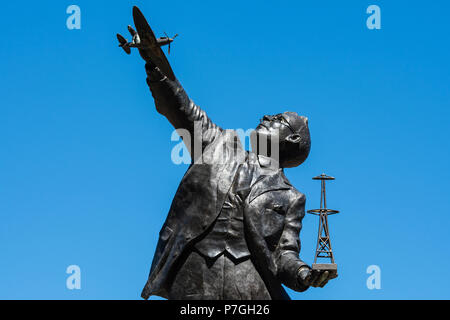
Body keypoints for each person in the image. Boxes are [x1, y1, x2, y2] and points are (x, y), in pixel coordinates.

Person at [140, 59, 336, 300]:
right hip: (194, 278)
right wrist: (155, 65)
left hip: (250, 288)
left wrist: (304, 274)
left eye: (278, 120)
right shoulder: (217, 145)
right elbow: (183, 109)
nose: (266, 115)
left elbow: (284, 253)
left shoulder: (291, 197)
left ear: (292, 140)